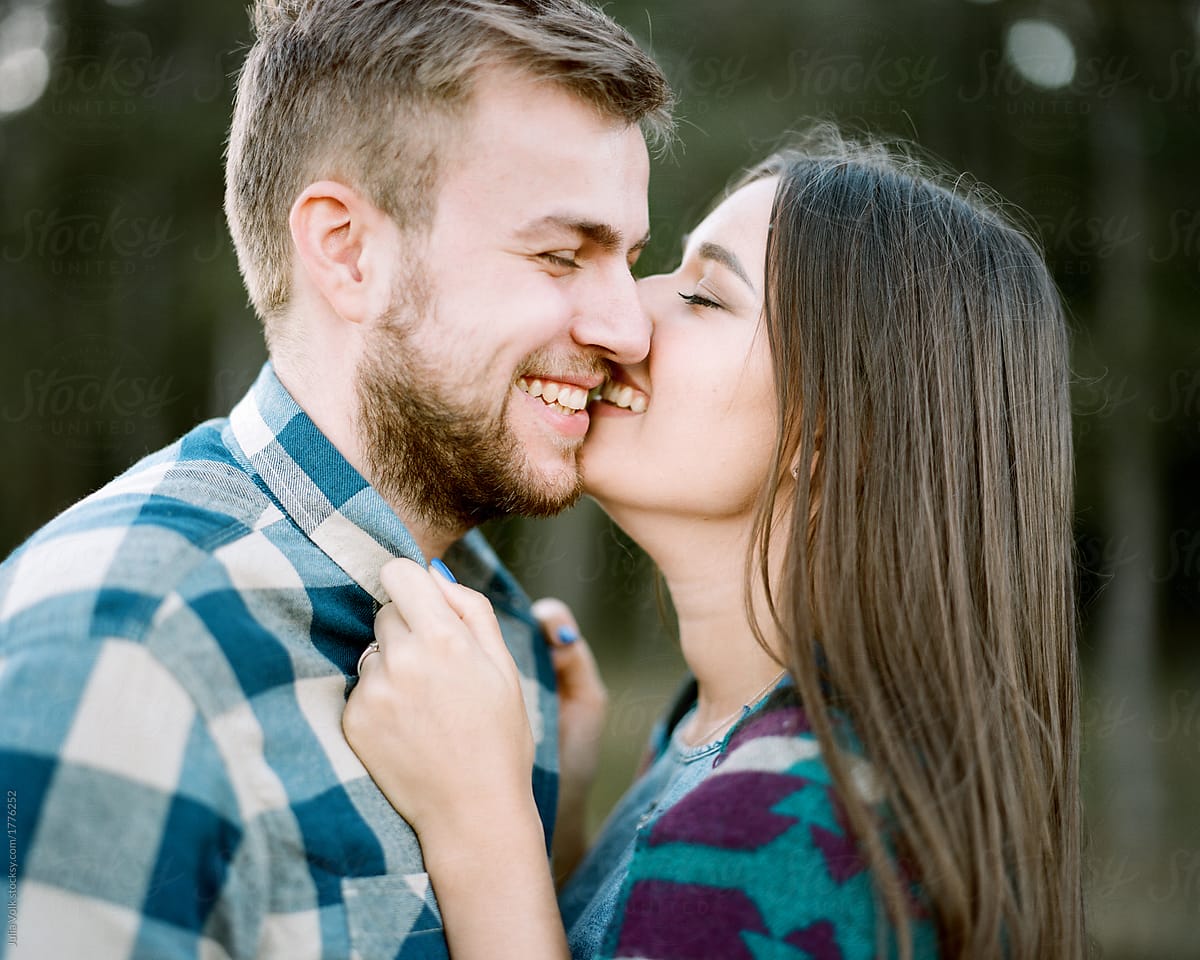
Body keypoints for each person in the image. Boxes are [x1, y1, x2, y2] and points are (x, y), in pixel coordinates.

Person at [0, 2, 671, 957]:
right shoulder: (122, 650)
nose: (628, 328)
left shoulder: (505, 641)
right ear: (347, 250)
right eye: (562, 255)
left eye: (627, 260)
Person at [344, 129, 1086, 960]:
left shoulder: (793, 832)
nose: (625, 316)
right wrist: (564, 830)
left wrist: (480, 822)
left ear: (841, 437)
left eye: (705, 298)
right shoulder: (713, 740)